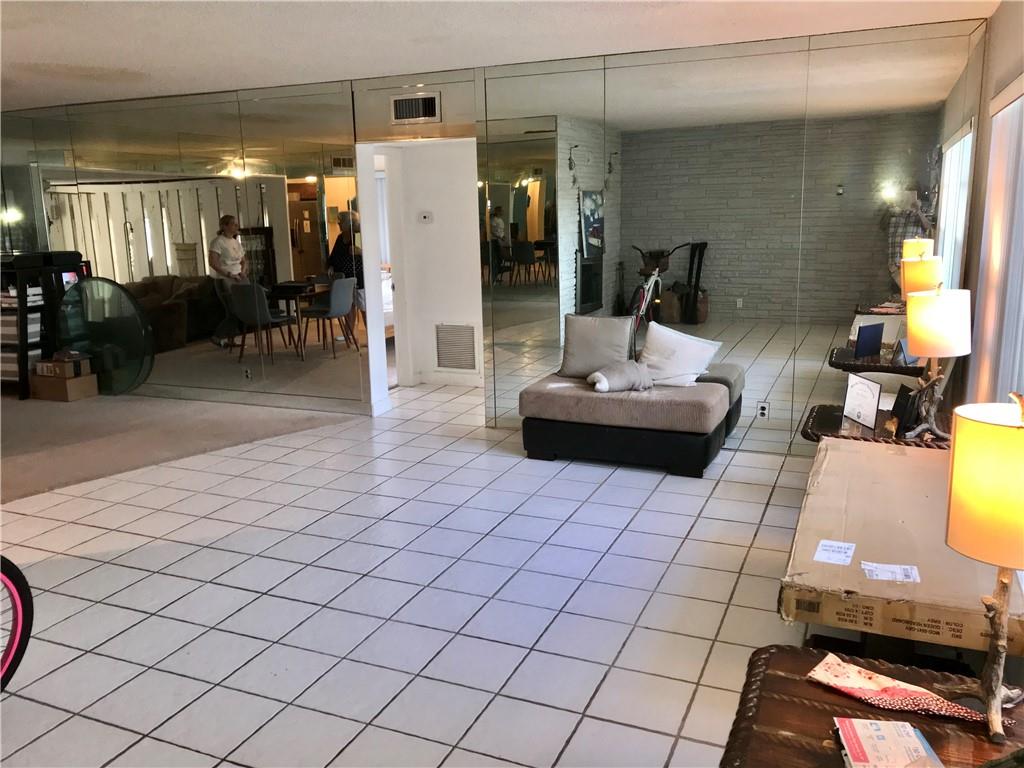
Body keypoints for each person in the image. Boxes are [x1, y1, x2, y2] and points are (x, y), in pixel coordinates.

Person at [882, 186, 933, 295]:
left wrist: (918, 210)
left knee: (912, 295)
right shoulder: (894, 211)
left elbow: (928, 226)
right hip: (895, 264)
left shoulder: (922, 212)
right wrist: (889, 206)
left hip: (913, 264)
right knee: (896, 296)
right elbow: (882, 225)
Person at [208, 215, 247, 347]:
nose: (236, 226)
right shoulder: (218, 242)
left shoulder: (236, 242)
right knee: (233, 310)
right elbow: (213, 263)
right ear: (224, 226)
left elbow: (243, 260)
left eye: (236, 224)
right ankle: (217, 336)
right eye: (233, 224)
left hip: (239, 278)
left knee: (240, 310)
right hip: (225, 279)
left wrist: (243, 271)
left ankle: (231, 339)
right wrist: (229, 274)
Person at [328, 210, 363, 288]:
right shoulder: (340, 237)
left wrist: (360, 251)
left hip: (358, 278)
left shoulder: (358, 235)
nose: (338, 223)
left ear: (348, 222)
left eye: (341, 221)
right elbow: (333, 256)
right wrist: (331, 266)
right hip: (342, 278)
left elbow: (370, 256)